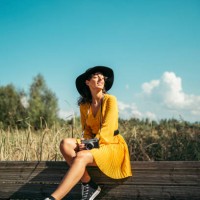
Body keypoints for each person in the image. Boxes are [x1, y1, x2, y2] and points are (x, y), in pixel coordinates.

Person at [44, 66, 132, 200]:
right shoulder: (84, 105)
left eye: (102, 76)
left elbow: (107, 131)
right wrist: (85, 143)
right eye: (96, 76)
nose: (101, 78)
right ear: (87, 82)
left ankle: (53, 198)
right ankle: (88, 183)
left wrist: (88, 145)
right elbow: (87, 132)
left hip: (111, 145)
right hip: (94, 144)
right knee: (65, 144)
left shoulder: (110, 100)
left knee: (82, 156)